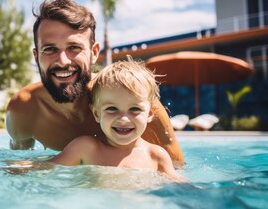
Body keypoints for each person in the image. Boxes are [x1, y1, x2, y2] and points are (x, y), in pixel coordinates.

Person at [5, 0, 184, 164]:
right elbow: (19, 168)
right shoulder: (23, 110)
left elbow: (176, 170)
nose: (63, 61)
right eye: (50, 49)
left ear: (94, 52)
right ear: (36, 56)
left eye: (74, 47)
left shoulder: (134, 100)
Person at [48, 58, 186, 182]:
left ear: (150, 113)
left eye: (134, 109)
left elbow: (182, 188)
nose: (124, 118)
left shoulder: (156, 156)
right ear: (96, 113)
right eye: (112, 109)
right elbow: (43, 171)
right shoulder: (86, 148)